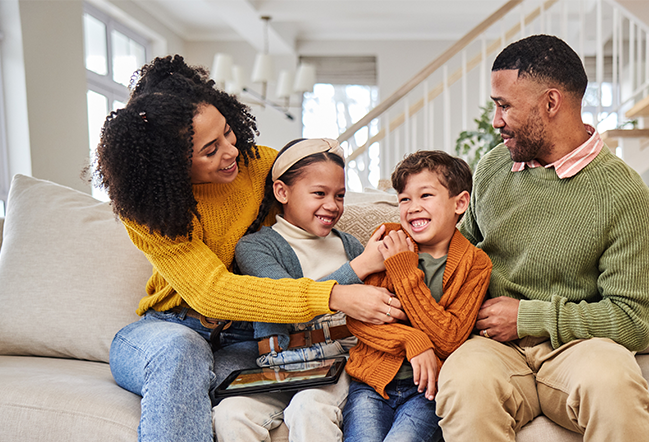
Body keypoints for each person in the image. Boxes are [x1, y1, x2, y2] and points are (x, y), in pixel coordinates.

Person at [91, 55, 404, 442]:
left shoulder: (261, 168)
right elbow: (211, 293)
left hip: (242, 341)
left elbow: (314, 199)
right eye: (210, 150)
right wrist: (334, 294)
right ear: (170, 164)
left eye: (227, 132)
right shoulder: (148, 209)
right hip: (168, 330)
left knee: (239, 397)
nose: (231, 151)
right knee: (181, 355)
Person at [435, 34, 649, 442]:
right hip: (493, 348)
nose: (495, 121)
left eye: (504, 105)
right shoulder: (492, 168)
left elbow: (634, 320)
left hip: (579, 348)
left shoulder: (623, 193)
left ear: (551, 103)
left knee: (614, 385)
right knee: (464, 384)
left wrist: (528, 316)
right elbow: (457, 256)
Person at [212, 137, 388, 441]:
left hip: (339, 363)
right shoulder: (255, 246)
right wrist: (360, 266)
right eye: (319, 193)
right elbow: (287, 301)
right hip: (280, 366)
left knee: (308, 408)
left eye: (340, 195)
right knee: (230, 413)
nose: (332, 206)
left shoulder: (351, 245)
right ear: (282, 191)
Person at [342, 150, 493, 442]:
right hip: (371, 383)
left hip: (429, 390)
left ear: (460, 203)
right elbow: (358, 319)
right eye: (404, 199)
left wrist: (402, 270)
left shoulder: (475, 263)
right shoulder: (388, 240)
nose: (412, 207)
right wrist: (412, 339)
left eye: (425, 196)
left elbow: (450, 338)